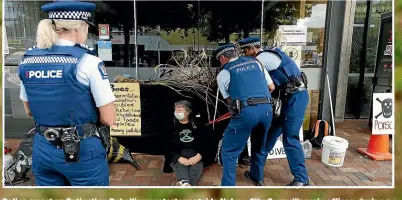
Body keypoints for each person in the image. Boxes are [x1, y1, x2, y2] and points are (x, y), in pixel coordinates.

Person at [18, 1, 116, 186]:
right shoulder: (89, 62)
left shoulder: (28, 60)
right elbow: (109, 118)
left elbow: (29, 110)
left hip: (43, 147)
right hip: (82, 150)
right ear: (79, 27)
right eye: (87, 27)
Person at [238, 36, 309, 186]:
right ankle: (255, 174)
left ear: (252, 49)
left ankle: (301, 179)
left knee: (290, 137)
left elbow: (254, 84)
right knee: (267, 136)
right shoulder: (268, 55)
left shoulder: (262, 59)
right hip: (284, 100)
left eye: (245, 51)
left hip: (296, 98)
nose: (244, 55)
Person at [215, 44, 274, 186]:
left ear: (223, 58)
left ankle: (228, 189)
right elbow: (271, 87)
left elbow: (230, 101)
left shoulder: (224, 73)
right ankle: (257, 177)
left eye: (219, 60)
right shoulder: (256, 62)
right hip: (267, 109)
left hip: (246, 112)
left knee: (229, 151)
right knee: (259, 145)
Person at [169, 100, 204, 186]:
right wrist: (179, 158)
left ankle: (184, 183)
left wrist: (197, 157)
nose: (177, 113)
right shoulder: (171, 125)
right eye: (176, 110)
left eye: (180, 110)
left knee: (196, 167)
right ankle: (186, 183)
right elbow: (166, 145)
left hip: (195, 154)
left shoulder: (197, 124)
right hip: (179, 154)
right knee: (180, 165)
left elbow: (206, 143)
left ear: (188, 112)